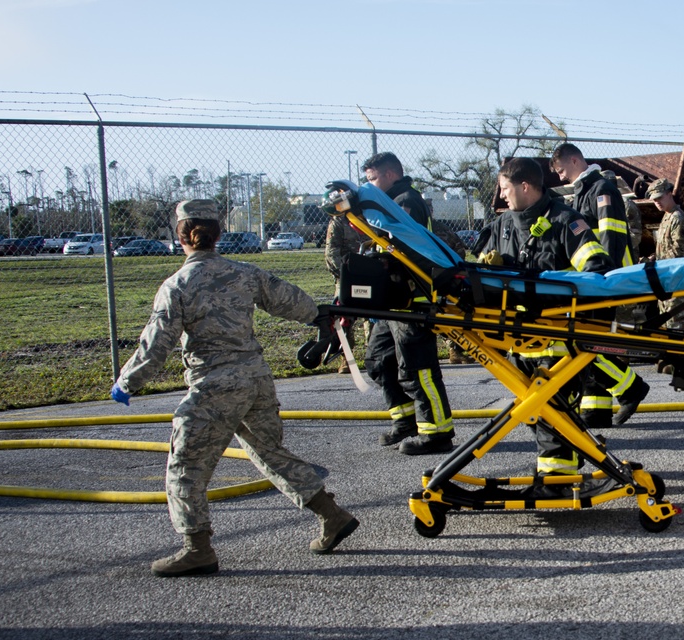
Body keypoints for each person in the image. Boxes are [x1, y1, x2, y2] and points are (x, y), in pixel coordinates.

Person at [110, 199, 359, 577]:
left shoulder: (177, 285)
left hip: (215, 385)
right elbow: (287, 298)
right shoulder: (243, 272)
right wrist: (318, 315)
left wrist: (127, 382)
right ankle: (332, 515)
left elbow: (157, 342)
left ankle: (198, 548)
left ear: (181, 236)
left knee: (186, 465)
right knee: (269, 453)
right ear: (218, 234)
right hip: (256, 379)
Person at [476, 157, 620, 497]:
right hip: (517, 340)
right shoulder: (503, 225)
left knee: (550, 412)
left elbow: (595, 269)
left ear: (525, 186)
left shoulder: (566, 221)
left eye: (506, 189)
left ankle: (556, 483)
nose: (502, 196)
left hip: (557, 342)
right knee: (542, 413)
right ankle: (563, 465)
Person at [360, 152, 457, 455]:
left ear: (390, 174)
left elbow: (400, 241)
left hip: (411, 298)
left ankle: (436, 432)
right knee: (379, 361)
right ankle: (406, 422)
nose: (370, 186)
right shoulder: (382, 205)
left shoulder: (406, 200)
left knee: (418, 368)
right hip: (391, 298)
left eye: (373, 179)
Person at [548, 143, 650, 427]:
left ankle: (630, 389)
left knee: (594, 342)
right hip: (595, 280)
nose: (560, 177)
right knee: (598, 340)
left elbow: (612, 237)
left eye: (561, 170)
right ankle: (596, 410)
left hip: (607, 280)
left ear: (574, 159)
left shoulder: (602, 189)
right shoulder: (584, 191)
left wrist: (603, 280)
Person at [324, 211, 370, 372]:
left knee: (374, 316)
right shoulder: (339, 222)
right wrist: (344, 274)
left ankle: (375, 355)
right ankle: (346, 358)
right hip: (347, 275)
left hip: (370, 274)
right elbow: (331, 252)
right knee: (344, 317)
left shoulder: (372, 217)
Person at [646, 178, 684, 333]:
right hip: (667, 280)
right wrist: (653, 258)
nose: (657, 202)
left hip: (676, 281)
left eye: (660, 197)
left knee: (675, 327)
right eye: (654, 200)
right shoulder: (667, 217)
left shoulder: (678, 219)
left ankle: (678, 357)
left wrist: (657, 264)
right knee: (667, 326)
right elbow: (665, 247)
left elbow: (679, 253)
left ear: (669, 194)